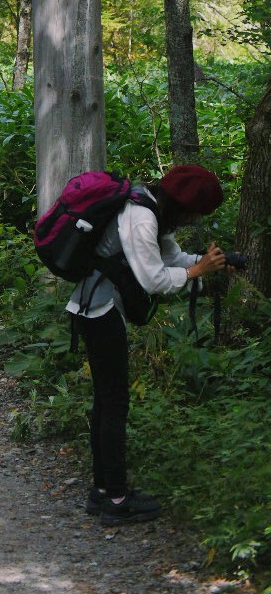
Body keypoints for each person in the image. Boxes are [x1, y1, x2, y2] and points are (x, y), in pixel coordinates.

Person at [67, 163, 229, 524]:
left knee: (106, 402)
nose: (190, 221)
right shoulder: (142, 217)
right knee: (114, 403)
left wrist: (209, 263)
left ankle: (103, 491)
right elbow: (154, 279)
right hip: (100, 310)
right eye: (192, 214)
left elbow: (171, 259)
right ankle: (116, 499)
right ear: (182, 205)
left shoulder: (149, 207)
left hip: (98, 308)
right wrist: (195, 273)